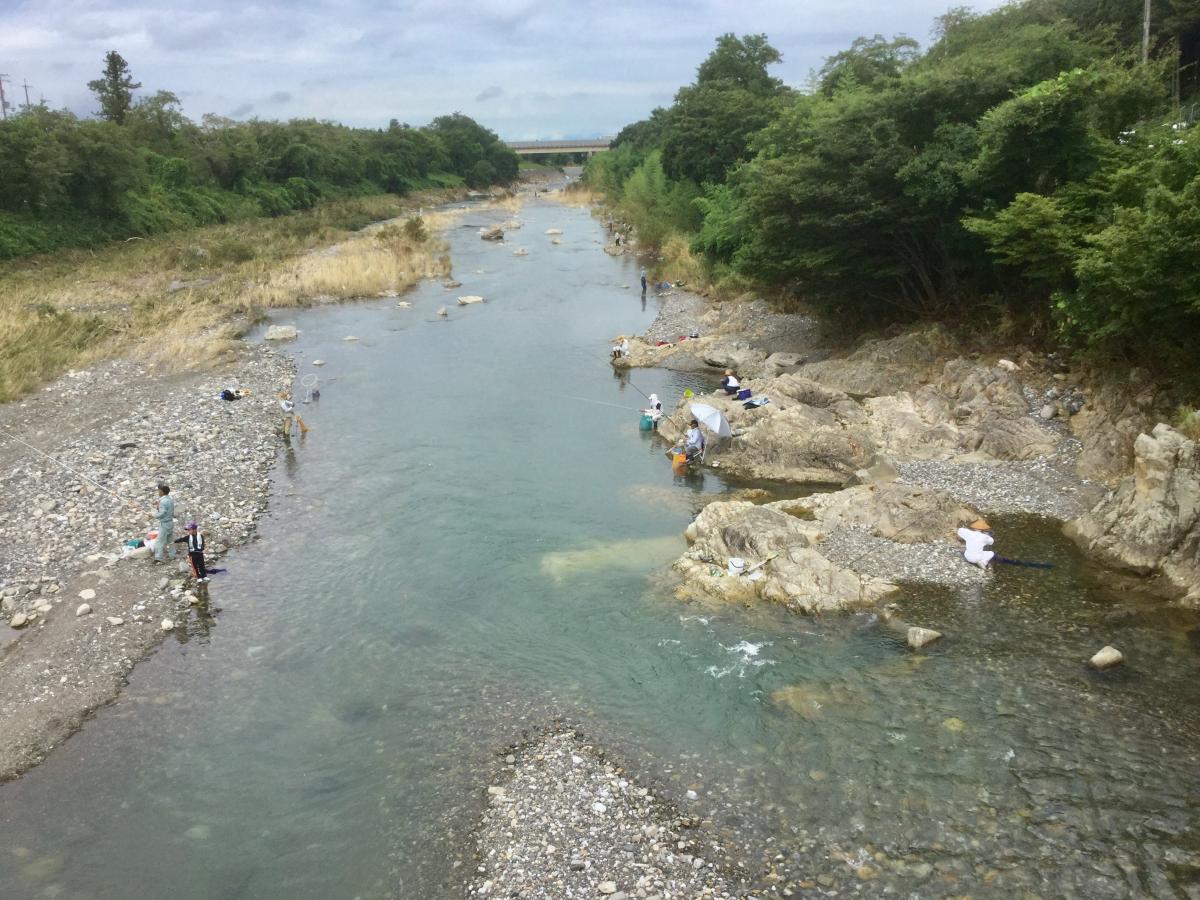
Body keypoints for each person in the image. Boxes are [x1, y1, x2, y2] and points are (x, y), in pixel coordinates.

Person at [152, 483, 176, 563]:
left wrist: (154, 515)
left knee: (159, 541)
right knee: (170, 540)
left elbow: (162, 512)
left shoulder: (163, 501)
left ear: (162, 492)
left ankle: (159, 558)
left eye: (159, 490)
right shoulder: (169, 499)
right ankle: (172, 555)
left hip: (164, 524)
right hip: (170, 523)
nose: (158, 492)